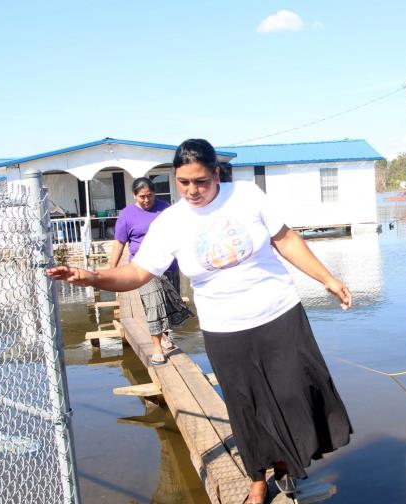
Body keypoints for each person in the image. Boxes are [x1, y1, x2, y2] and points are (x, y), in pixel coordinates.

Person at [48, 139, 353, 504]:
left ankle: (287, 467)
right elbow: (138, 272)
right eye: (183, 182)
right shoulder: (170, 223)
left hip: (279, 313)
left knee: (291, 395)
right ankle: (257, 481)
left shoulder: (246, 195)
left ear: (217, 174)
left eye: (201, 181)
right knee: (245, 406)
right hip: (224, 327)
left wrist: (328, 279)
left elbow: (286, 240)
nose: (192, 190)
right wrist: (94, 277)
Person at [108, 177, 191, 364]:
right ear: (135, 196)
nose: (146, 200)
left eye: (150, 196)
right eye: (142, 197)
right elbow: (119, 243)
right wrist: (111, 272)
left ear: (155, 193)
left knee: (169, 302)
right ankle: (156, 347)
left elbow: (179, 233)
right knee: (154, 303)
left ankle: (165, 336)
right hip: (143, 266)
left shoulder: (165, 208)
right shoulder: (127, 215)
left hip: (168, 265)